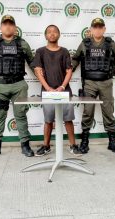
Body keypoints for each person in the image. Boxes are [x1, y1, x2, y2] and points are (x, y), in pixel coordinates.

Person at [0, 15, 35, 158]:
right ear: (0, 27)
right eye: (5, 24)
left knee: (21, 115)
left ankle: (25, 145)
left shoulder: (22, 43)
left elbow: (32, 62)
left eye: (11, 24)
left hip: (19, 85)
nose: (8, 26)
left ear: (15, 28)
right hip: (1, 86)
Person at [72, 18, 115, 154]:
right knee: (88, 111)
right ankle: (84, 141)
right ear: (91, 29)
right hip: (89, 83)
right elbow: (76, 58)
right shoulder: (85, 43)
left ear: (104, 29)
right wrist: (69, 71)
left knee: (108, 111)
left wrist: (112, 73)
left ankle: (112, 141)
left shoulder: (110, 44)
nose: (98, 29)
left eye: (100, 27)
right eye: (95, 27)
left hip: (106, 82)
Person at [32, 24, 81, 156]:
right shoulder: (40, 52)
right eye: (49, 32)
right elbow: (38, 71)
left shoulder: (64, 51)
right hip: (47, 92)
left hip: (64, 91)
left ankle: (73, 145)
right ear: (45, 35)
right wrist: (48, 88)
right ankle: (46, 146)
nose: (52, 34)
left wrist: (62, 87)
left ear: (59, 35)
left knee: (68, 119)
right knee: (48, 120)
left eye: (55, 32)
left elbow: (69, 71)